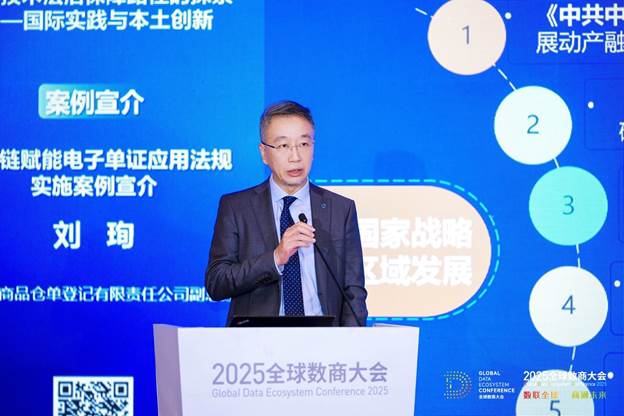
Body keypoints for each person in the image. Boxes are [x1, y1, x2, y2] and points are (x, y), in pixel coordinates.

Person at [205, 100, 367, 326]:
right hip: (258, 340)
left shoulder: (340, 209)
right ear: (264, 153)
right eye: (283, 146)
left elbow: (354, 291)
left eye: (304, 144)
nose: (295, 156)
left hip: (324, 340)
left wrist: (350, 340)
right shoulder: (237, 207)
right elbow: (217, 283)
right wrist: (276, 257)